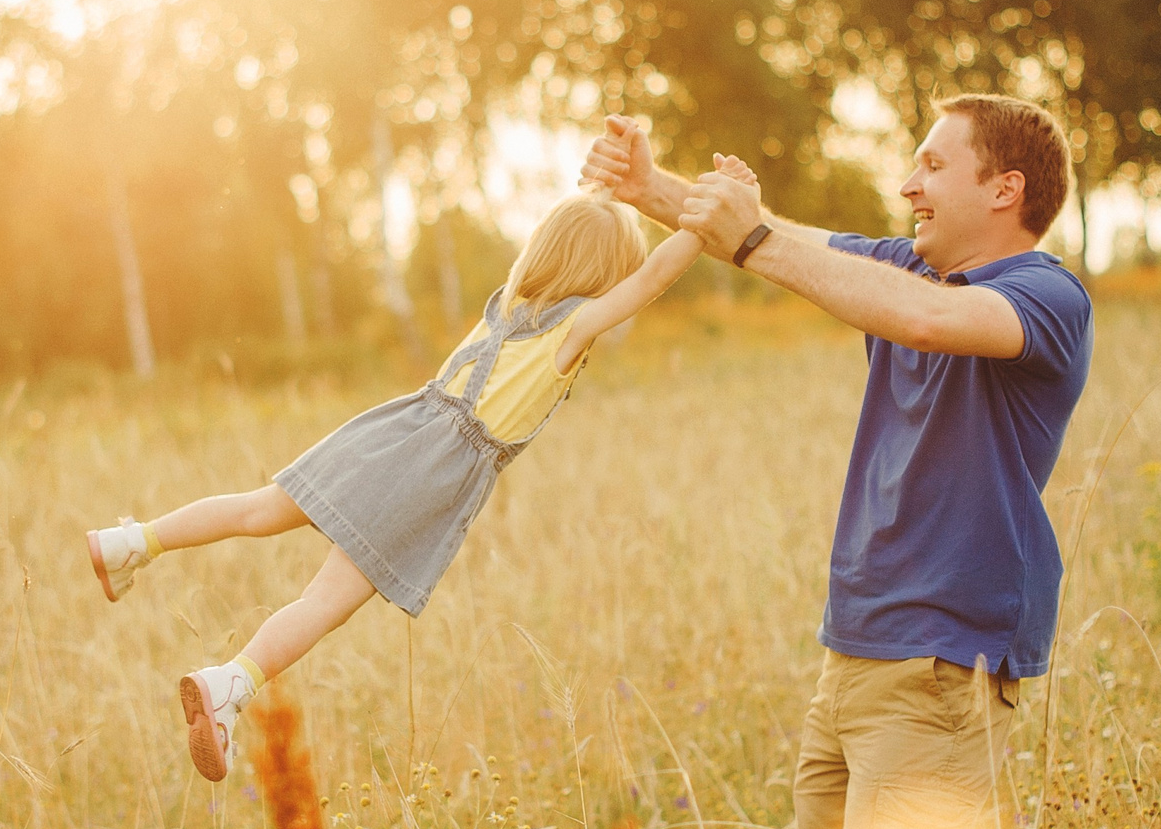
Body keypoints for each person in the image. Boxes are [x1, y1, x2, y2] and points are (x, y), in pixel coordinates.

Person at [582, 96, 1093, 829]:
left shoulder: (1042, 298)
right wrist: (654, 188)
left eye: (930, 165)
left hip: (935, 674)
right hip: (850, 664)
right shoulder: (900, 269)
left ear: (1002, 189)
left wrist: (758, 236)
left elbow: (909, 317)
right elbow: (791, 244)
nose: (907, 187)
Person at [84, 187, 718, 781]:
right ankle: (232, 684)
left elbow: (584, 235)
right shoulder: (571, 331)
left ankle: (133, 542)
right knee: (324, 602)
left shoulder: (508, 301)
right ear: (606, 280)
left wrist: (610, 191)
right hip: (431, 475)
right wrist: (705, 223)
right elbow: (656, 275)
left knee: (257, 509)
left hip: (394, 427)